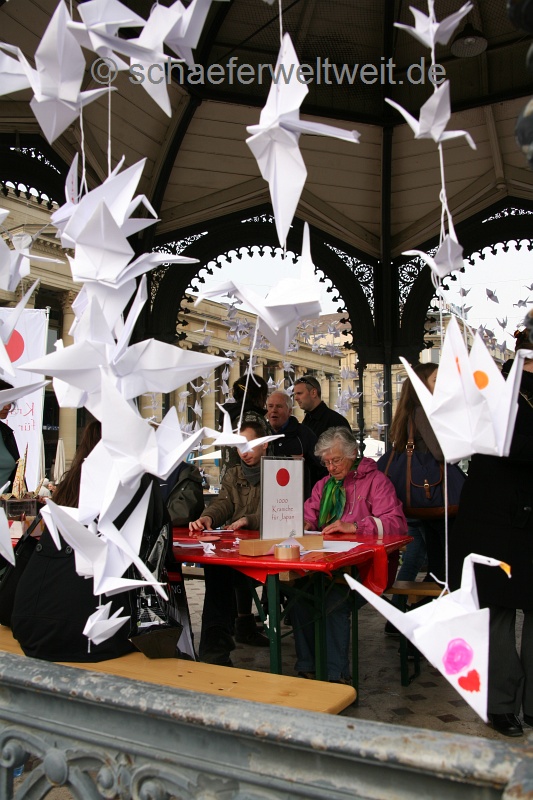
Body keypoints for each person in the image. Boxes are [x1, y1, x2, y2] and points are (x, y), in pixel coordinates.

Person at [12, 420, 171, 662]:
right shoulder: (138, 484)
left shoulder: (69, 485)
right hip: (90, 634)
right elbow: (161, 546)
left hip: (31, 624)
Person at [449, 327, 533, 738]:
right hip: (494, 524)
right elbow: (510, 446)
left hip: (524, 521)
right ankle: (501, 704)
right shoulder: (495, 391)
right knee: (497, 614)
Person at [291, 427, 407, 683]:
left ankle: (336, 677)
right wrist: (305, 524)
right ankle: (308, 667)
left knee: (333, 601)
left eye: (336, 460)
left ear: (353, 453)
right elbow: (308, 515)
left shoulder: (377, 482)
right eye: (326, 462)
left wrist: (356, 526)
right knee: (300, 597)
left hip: (367, 568)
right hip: (327, 567)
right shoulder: (323, 486)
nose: (330, 468)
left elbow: (397, 523)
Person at [189, 421, 270, 665]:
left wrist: (249, 520)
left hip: (268, 553)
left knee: (220, 578)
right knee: (216, 571)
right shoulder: (233, 474)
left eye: (250, 445)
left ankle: (218, 645)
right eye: (239, 446)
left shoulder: (281, 471)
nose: (244, 452)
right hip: (237, 551)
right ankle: (215, 651)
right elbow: (223, 502)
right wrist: (208, 517)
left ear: (264, 444)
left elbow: (282, 511)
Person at [387, 362, 449, 586]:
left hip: (420, 494)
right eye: (436, 380)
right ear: (422, 384)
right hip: (431, 492)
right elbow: (440, 452)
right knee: (441, 558)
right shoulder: (422, 412)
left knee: (424, 555)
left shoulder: (409, 412)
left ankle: (410, 605)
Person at [266, 390, 321, 498]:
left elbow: (320, 466)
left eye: (279, 406)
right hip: (268, 498)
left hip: (298, 498)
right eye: (270, 406)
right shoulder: (260, 434)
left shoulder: (304, 434)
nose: (273, 410)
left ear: (289, 411)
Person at [218, 373, 271, 484]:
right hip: (248, 484)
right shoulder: (253, 418)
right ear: (260, 395)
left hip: (229, 481)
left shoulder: (230, 418)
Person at [293, 375, 351, 439]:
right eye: (295, 394)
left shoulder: (336, 421)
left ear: (313, 393)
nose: (295, 398)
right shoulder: (307, 420)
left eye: (299, 393)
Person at [0, 379, 20, 492]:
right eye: (4, 401)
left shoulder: (6, 433)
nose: (7, 407)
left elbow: (17, 477)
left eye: (10, 402)